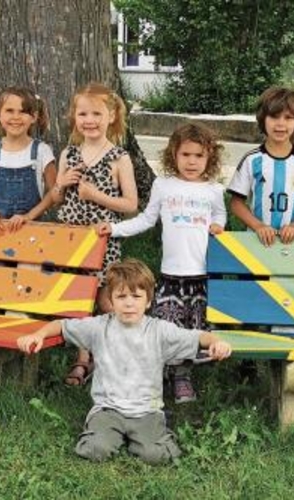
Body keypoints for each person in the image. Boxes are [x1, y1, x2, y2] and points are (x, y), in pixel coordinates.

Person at [16, 259, 232, 465]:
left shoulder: (159, 330)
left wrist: (216, 342)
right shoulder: (99, 327)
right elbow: (62, 326)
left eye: (136, 297)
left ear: (148, 301)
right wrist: (38, 335)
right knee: (94, 450)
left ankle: (148, 436)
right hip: (108, 409)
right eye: (121, 297)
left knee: (156, 456)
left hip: (146, 409)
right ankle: (111, 435)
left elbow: (197, 337)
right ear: (111, 301)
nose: (129, 303)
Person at [97, 123, 227, 403]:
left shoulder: (214, 190)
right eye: (185, 155)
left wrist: (217, 225)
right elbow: (146, 219)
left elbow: (221, 216)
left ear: (209, 158)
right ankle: (167, 374)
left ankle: (183, 376)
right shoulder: (164, 185)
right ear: (173, 155)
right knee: (169, 329)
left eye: (199, 156)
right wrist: (115, 229)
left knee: (194, 331)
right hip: (171, 277)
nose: (191, 162)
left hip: (200, 276)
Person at [51, 82, 139, 386]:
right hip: (72, 239)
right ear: (74, 116)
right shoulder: (69, 153)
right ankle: (83, 357)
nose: (89, 120)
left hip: (102, 239)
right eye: (83, 113)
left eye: (96, 114)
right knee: (77, 300)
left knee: (104, 299)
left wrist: (96, 195)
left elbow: (130, 204)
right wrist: (60, 183)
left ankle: (124, 352)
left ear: (111, 116)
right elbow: (57, 200)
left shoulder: (118, 157)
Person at [228, 86, 294, 247]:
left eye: (288, 117)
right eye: (274, 116)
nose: (280, 123)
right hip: (256, 242)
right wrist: (258, 226)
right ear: (262, 119)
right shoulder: (252, 160)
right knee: (258, 273)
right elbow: (236, 203)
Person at [0, 86, 56, 235]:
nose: (16, 117)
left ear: (34, 117)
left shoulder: (42, 151)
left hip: (31, 231)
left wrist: (29, 216)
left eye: (23, 112)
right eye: (9, 111)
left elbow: (55, 190)